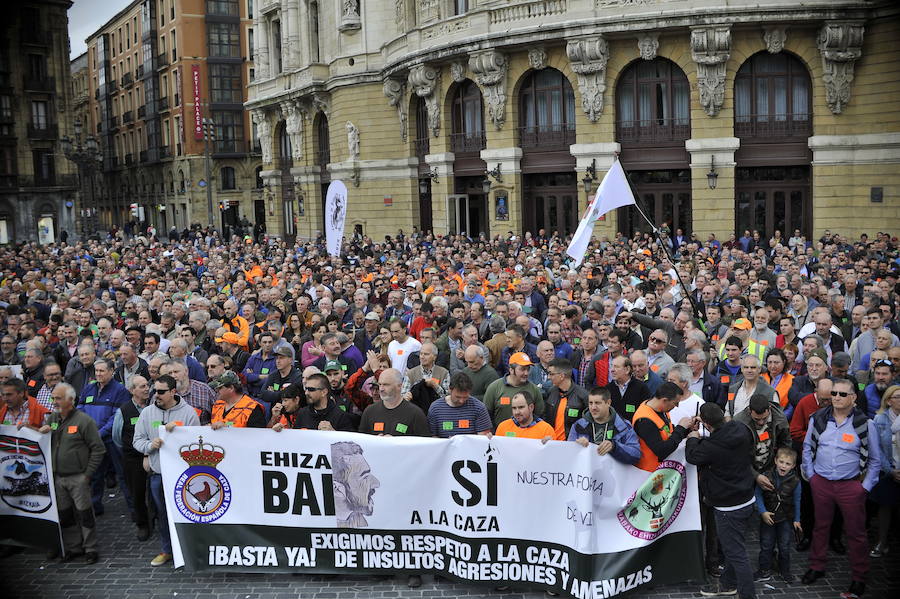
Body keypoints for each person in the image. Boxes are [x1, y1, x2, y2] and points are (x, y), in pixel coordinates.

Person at [801, 378, 882, 598]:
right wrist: (812, 476)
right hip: (821, 482)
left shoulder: (866, 424)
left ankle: (859, 577)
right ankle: (816, 566)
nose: (836, 397)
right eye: (834, 393)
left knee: (856, 533)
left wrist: (864, 488)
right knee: (820, 527)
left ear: (853, 398)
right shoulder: (818, 418)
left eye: (842, 394)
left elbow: (875, 460)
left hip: (850, 486)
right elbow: (807, 447)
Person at [686, 402, 757, 599]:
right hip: (746, 497)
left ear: (706, 424)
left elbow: (692, 456)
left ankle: (748, 595)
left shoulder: (710, 446)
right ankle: (728, 584)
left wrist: (693, 438)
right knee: (734, 547)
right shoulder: (740, 429)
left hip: (728, 507)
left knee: (736, 554)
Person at [132, 374, 200, 567]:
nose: (156, 395)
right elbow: (137, 440)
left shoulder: (188, 413)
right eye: (155, 391)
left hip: (184, 476)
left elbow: (196, 442)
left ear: (173, 392)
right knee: (162, 514)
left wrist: (178, 433)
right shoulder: (147, 413)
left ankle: (189, 551)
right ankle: (167, 550)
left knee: (188, 514)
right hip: (158, 474)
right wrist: (149, 446)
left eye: (161, 392)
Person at [38, 382, 105, 563]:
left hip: (78, 477)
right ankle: (74, 547)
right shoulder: (52, 419)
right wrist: (36, 431)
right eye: (53, 398)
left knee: (85, 514)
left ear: (70, 400)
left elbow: (98, 449)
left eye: (58, 398)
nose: (54, 402)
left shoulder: (84, 421)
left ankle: (90, 548)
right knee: (66, 515)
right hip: (58, 477)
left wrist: (87, 474)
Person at [79, 357, 131, 516]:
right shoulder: (89, 388)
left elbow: (116, 417)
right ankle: (95, 507)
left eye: (102, 370)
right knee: (95, 475)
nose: (98, 374)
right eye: (96, 371)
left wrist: (98, 434)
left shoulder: (120, 391)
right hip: (93, 441)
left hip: (112, 441)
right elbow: (80, 409)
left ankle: (134, 510)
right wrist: (87, 432)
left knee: (123, 475)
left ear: (111, 371)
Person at [111, 375, 151, 541]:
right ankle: (142, 524)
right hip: (133, 459)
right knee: (137, 492)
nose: (147, 389)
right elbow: (117, 437)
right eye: (142, 386)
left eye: (147, 385)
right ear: (132, 390)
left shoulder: (154, 407)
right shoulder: (124, 411)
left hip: (154, 456)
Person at [754, 448, 803, 583]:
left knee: (784, 546)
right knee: (766, 544)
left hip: (785, 518)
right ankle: (764, 570)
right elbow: (758, 494)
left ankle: (784, 570)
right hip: (768, 517)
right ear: (775, 461)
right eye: (781, 462)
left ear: (793, 466)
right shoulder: (766, 476)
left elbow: (797, 501)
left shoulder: (796, 481)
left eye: (788, 464)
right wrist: (763, 512)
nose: (783, 466)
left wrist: (797, 519)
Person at [733, 394, 791, 495]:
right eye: (757, 419)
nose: (761, 422)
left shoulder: (780, 418)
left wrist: (778, 468)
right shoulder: (738, 422)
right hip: (746, 469)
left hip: (771, 467)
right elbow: (737, 455)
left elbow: (786, 445)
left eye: (764, 418)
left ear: (769, 408)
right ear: (749, 411)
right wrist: (755, 476)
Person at [567, 386, 641, 464]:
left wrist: (615, 447)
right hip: (586, 471)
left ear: (608, 403)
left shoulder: (624, 426)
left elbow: (636, 455)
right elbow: (569, 454)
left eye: (597, 403)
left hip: (613, 471)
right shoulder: (578, 425)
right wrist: (577, 446)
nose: (593, 407)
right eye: (590, 403)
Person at [632, 381, 695, 472]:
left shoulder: (661, 409)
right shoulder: (645, 420)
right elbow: (662, 451)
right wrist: (680, 428)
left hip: (662, 470)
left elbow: (667, 432)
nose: (676, 406)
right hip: (649, 473)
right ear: (664, 400)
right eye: (675, 403)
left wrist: (686, 429)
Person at [869, 384, 900, 558]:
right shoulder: (879, 419)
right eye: (898, 397)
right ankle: (882, 542)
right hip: (887, 470)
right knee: (885, 507)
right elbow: (877, 449)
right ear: (889, 401)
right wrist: (890, 471)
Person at [359, 368, 429, 437]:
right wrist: (377, 441)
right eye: (380, 384)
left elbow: (424, 442)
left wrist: (395, 442)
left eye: (386, 385)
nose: (381, 389)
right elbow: (361, 441)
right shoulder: (370, 412)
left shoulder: (415, 414)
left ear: (399, 386)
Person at [482, 351, 544, 428]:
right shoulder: (494, 387)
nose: (526, 373)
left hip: (527, 434)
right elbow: (486, 415)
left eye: (528, 369)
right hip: (501, 434)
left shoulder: (534, 389)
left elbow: (539, 416)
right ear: (511, 370)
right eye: (522, 369)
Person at [427, 372, 492, 438]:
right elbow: (432, 437)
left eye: (465, 397)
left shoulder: (478, 408)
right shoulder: (435, 408)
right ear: (450, 390)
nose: (461, 401)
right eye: (458, 397)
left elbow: (482, 437)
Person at [543, 358, 590, 441]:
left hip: (572, 444)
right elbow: (545, 417)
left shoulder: (583, 396)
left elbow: (588, 423)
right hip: (551, 443)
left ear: (562, 376)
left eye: (551, 374)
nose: (549, 377)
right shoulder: (551, 392)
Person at [401, 342, 449, 414]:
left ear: (434, 357)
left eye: (426, 354)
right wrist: (407, 396)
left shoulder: (444, 373)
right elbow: (403, 396)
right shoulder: (410, 373)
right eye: (421, 354)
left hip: (438, 412)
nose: (422, 357)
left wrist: (435, 386)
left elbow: (447, 398)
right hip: (416, 413)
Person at [606, 355, 652, 423]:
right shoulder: (607, 389)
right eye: (611, 366)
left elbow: (647, 412)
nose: (612, 370)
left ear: (627, 369)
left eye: (616, 367)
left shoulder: (641, 388)